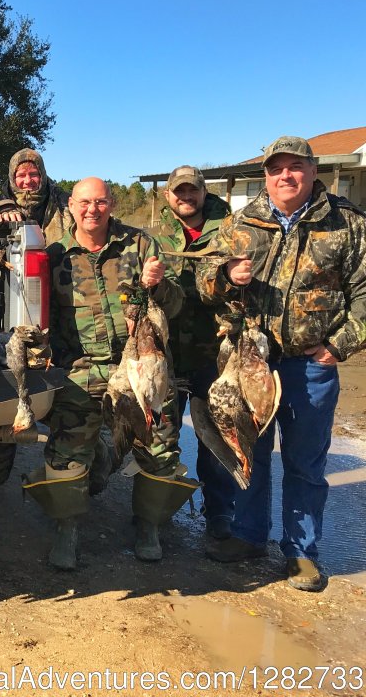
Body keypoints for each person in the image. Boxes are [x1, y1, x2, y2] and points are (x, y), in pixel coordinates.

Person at [197, 136, 366, 592]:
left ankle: (301, 554)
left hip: (309, 366)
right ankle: (250, 536)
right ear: (266, 176)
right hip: (248, 364)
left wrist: (340, 344)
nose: (285, 176)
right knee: (248, 452)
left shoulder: (347, 223)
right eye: (277, 169)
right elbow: (203, 279)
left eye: (295, 167)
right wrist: (224, 274)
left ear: (314, 171)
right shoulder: (241, 223)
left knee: (305, 463)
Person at [24, 177, 190, 570]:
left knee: (160, 444)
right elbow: (40, 314)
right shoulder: (56, 254)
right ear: (71, 206)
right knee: (66, 450)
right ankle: (67, 529)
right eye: (84, 202)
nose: (92, 210)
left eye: (100, 202)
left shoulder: (141, 245)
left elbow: (176, 305)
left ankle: (149, 527)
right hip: (83, 367)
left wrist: (160, 285)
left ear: (111, 204)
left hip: (140, 363)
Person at [152, 165, 235, 541]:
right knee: (162, 435)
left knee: (214, 438)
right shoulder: (155, 238)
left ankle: (219, 513)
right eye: (178, 191)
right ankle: (158, 508)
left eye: (192, 191)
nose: (185, 197)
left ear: (204, 192)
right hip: (168, 353)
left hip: (213, 355)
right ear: (168, 196)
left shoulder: (233, 230)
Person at [0, 148, 71, 240]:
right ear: (12, 178)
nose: (27, 181)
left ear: (42, 175)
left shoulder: (64, 201)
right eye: (21, 175)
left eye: (33, 174)